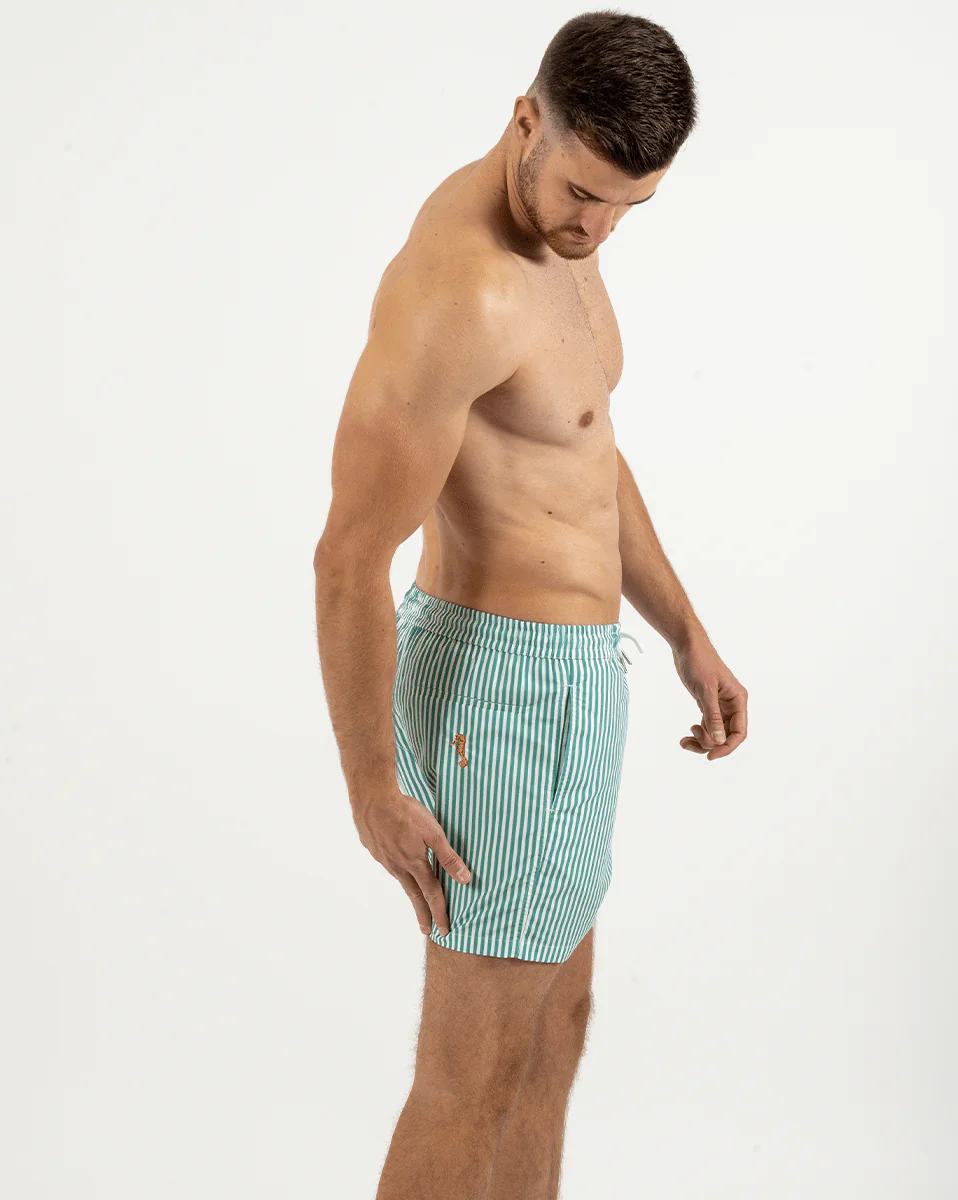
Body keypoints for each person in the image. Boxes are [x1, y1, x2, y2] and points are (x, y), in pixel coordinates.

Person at [313, 10, 747, 1197]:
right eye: (583, 194)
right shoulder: (455, 295)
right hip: (496, 698)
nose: (596, 228)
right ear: (524, 121)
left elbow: (585, 450)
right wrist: (372, 788)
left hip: (577, 682)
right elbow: (348, 558)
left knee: (555, 1034)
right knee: (471, 1075)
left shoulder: (570, 231)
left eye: (627, 208)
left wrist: (685, 632)